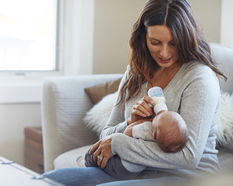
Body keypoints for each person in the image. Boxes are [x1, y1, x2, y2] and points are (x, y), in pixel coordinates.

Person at [43, 0, 227, 185]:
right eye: (155, 42)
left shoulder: (198, 78)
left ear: (186, 38)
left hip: (186, 176)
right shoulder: (136, 71)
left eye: (173, 43)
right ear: (143, 37)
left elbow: (189, 157)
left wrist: (118, 144)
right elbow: (106, 133)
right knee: (49, 180)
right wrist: (131, 123)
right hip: (131, 169)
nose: (164, 53)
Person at [84, 110, 189, 179]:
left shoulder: (147, 127)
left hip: (123, 166)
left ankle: (88, 162)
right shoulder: (165, 140)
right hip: (135, 169)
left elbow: (127, 132)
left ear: (153, 135)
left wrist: (142, 121)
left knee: (94, 156)